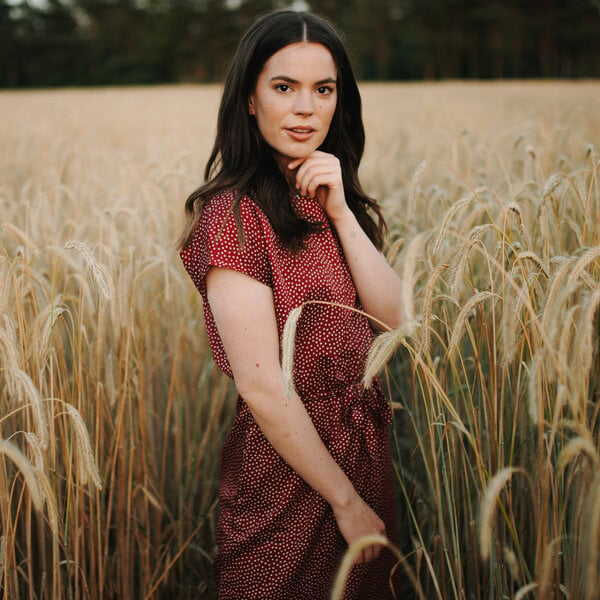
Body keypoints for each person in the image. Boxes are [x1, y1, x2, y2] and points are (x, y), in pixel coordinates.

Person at [179, 10, 405, 600]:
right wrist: (346, 503)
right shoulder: (233, 217)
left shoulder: (336, 198)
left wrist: (341, 214)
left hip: (364, 449)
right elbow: (263, 388)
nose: (306, 108)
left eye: (322, 89)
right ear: (250, 100)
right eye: (284, 87)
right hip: (288, 472)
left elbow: (394, 324)